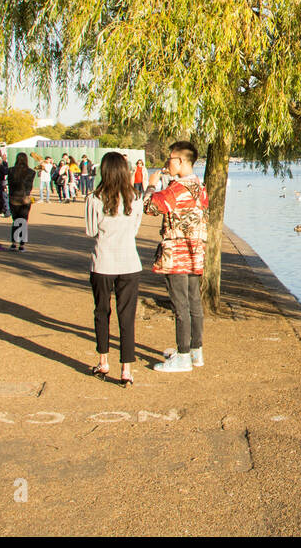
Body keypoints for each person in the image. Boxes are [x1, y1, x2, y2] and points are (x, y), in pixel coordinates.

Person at [143, 140, 209, 373]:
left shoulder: (174, 190)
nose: (166, 163)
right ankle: (195, 351)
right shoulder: (200, 188)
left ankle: (182, 357)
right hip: (194, 252)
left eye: (170, 159)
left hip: (176, 253)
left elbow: (149, 207)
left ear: (181, 161)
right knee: (194, 303)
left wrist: (151, 185)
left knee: (180, 305)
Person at [85, 152, 144, 386]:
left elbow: (91, 231)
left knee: (101, 311)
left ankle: (103, 360)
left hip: (103, 261)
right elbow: (135, 229)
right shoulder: (135, 198)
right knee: (126, 315)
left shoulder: (94, 198)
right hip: (129, 261)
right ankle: (126, 368)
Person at [8, 153, 36, 251]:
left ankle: (13, 243)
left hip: (13, 198)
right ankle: (22, 244)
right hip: (25, 198)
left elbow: (9, 184)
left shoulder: (11, 171)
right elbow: (30, 187)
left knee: (15, 220)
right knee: (23, 221)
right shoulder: (31, 172)